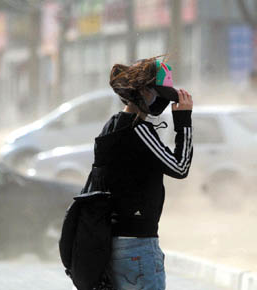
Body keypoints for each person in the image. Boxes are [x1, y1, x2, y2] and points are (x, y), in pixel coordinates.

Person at [90, 56, 193, 290]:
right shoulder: (139, 130)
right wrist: (184, 122)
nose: (161, 103)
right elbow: (180, 167)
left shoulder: (113, 124)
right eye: (159, 95)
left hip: (113, 242)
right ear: (145, 92)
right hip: (137, 245)